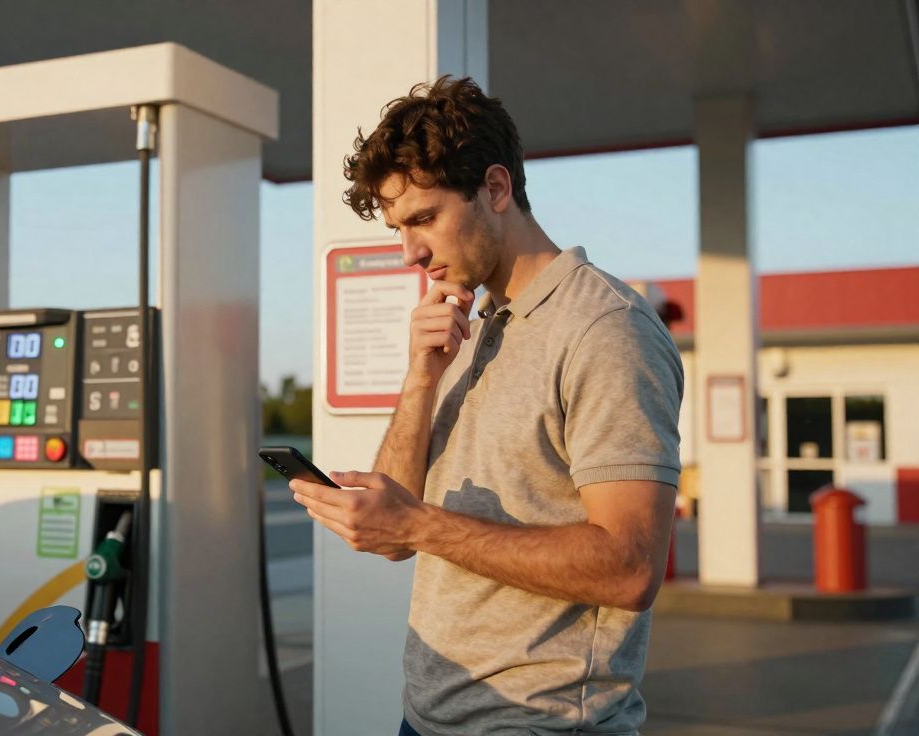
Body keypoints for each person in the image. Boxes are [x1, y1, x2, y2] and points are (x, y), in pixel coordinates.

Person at [289, 76, 683, 735]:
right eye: (398, 228)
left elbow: (629, 568)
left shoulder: (606, 330)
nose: (409, 251)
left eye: (423, 218)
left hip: (540, 724)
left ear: (496, 189)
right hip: (429, 714)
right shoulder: (472, 327)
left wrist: (417, 525)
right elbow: (396, 529)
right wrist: (421, 376)